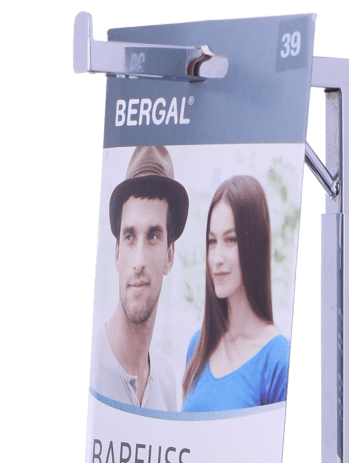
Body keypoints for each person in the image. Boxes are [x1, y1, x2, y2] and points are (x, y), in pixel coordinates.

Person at [90, 146, 189, 412]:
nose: (138, 262)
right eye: (129, 236)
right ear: (117, 253)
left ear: (170, 256)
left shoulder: (166, 380)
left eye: (153, 236)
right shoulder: (91, 366)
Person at [181, 175, 290, 412]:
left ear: (255, 245)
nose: (217, 258)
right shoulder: (198, 346)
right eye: (212, 241)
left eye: (231, 240)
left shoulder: (278, 359)